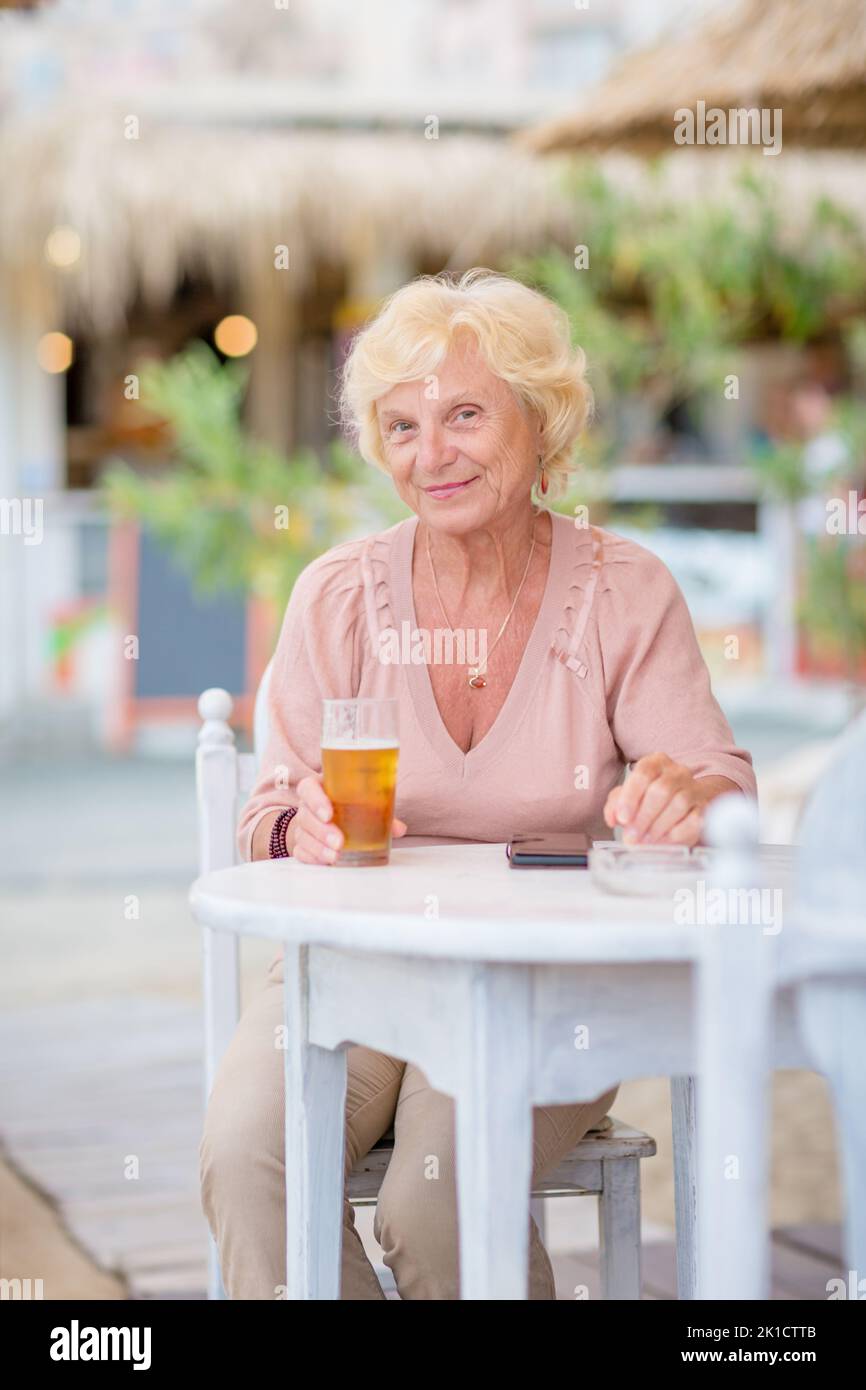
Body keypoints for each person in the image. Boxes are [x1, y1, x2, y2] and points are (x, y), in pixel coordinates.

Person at [200, 268, 757, 1299]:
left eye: (463, 414)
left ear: (538, 423)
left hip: (544, 982)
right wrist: (299, 826)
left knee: (433, 1199)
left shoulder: (621, 592)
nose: (431, 452)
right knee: (248, 1159)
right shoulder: (338, 597)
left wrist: (685, 795)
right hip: (353, 968)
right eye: (401, 425)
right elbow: (267, 807)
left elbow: (720, 788)